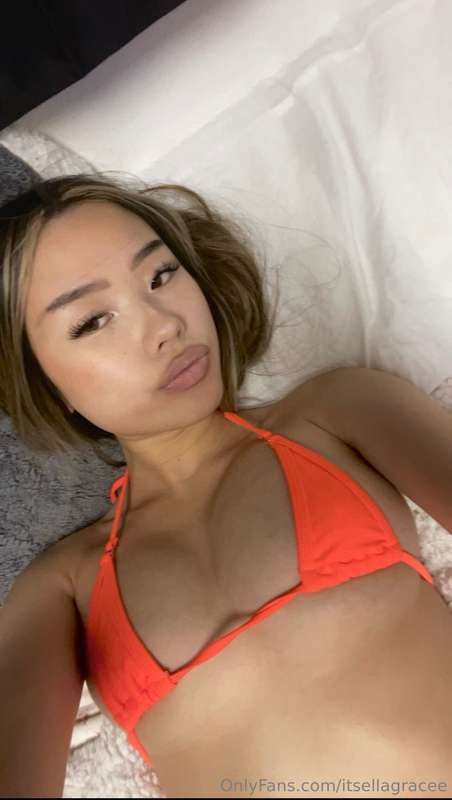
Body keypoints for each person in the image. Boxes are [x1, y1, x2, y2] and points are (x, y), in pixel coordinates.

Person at [1, 175, 451, 799]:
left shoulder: (335, 413)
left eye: (161, 275)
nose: (165, 324)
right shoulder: (61, 588)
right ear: (44, 384)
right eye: (93, 320)